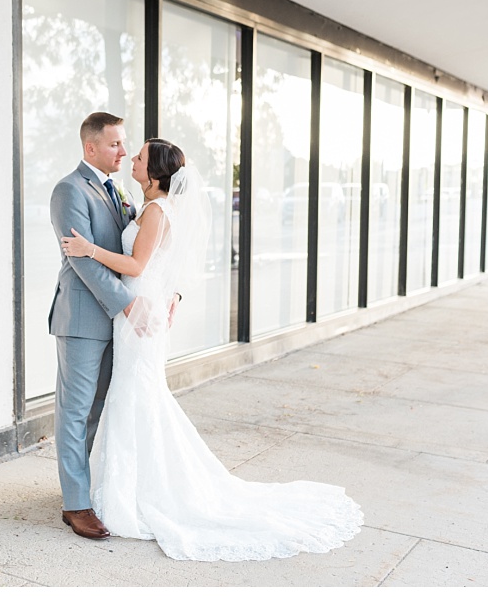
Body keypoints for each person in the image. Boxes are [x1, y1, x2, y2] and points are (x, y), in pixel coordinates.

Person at [59, 138, 364, 561]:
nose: (133, 158)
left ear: (157, 172)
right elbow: (168, 264)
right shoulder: (156, 206)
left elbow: (137, 265)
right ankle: (125, 487)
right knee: (135, 397)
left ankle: (141, 492)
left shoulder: (155, 210)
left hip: (137, 309)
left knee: (136, 396)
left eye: (141, 157)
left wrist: (89, 249)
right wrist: (171, 295)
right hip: (141, 308)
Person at [47, 112, 148, 540]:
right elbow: (82, 258)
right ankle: (76, 506)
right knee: (74, 412)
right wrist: (127, 304)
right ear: (91, 148)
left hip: (114, 324)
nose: (123, 152)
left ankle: (79, 487)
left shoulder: (119, 189)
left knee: (95, 411)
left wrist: (169, 294)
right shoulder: (69, 190)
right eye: (115, 145)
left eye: (125, 144)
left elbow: (140, 252)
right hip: (84, 319)